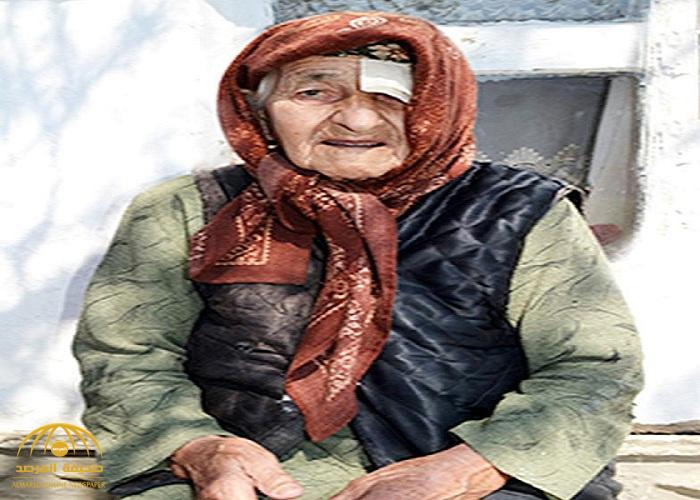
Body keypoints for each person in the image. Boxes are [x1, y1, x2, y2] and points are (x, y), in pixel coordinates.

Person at [72, 11, 643, 500]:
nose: (357, 119)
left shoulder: (520, 211)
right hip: (246, 472)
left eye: (391, 94)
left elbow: (593, 370)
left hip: (473, 471)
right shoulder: (188, 209)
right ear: (262, 113)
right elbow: (126, 358)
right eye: (313, 92)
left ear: (434, 106)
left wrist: (465, 469)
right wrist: (198, 447)